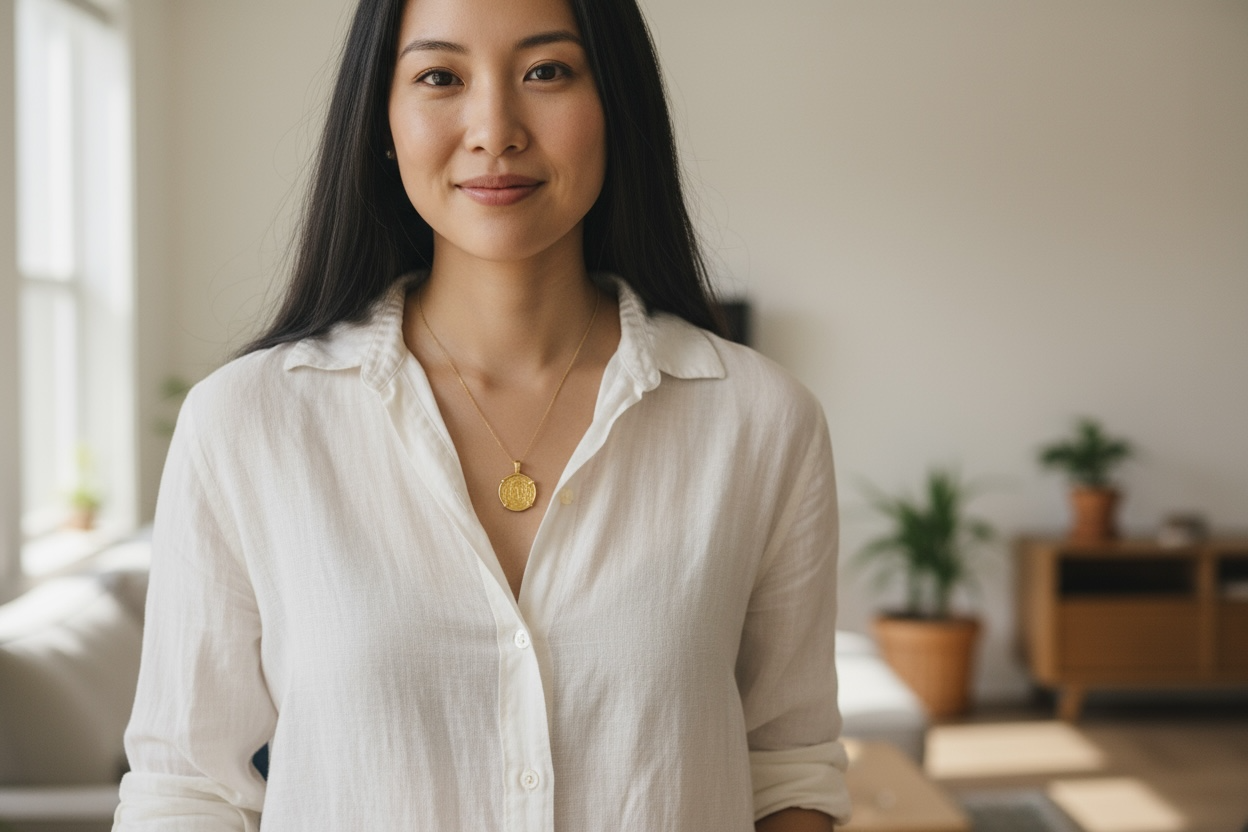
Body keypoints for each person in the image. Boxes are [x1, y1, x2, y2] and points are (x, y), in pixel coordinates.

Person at [114, 0, 850, 829]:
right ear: (381, 121)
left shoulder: (760, 422)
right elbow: (189, 790)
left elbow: (789, 769)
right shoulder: (246, 424)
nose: (494, 129)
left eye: (546, 71)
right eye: (439, 77)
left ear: (616, 103)